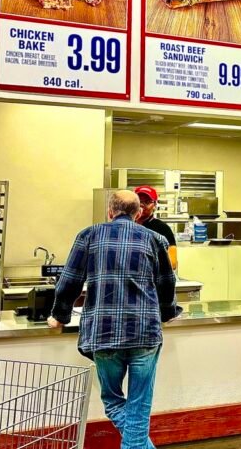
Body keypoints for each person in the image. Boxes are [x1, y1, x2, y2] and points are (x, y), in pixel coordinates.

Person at [48, 190, 180, 449]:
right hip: (145, 334)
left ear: (110, 211)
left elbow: (70, 280)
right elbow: (167, 283)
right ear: (138, 213)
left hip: (104, 333)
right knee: (139, 406)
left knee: (112, 400)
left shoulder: (88, 235)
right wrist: (167, 313)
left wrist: (59, 315)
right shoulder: (155, 239)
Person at [134, 186, 178, 269]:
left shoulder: (162, 229)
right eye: (139, 201)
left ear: (154, 205)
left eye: (147, 202)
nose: (142, 205)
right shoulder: (127, 226)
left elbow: (172, 263)